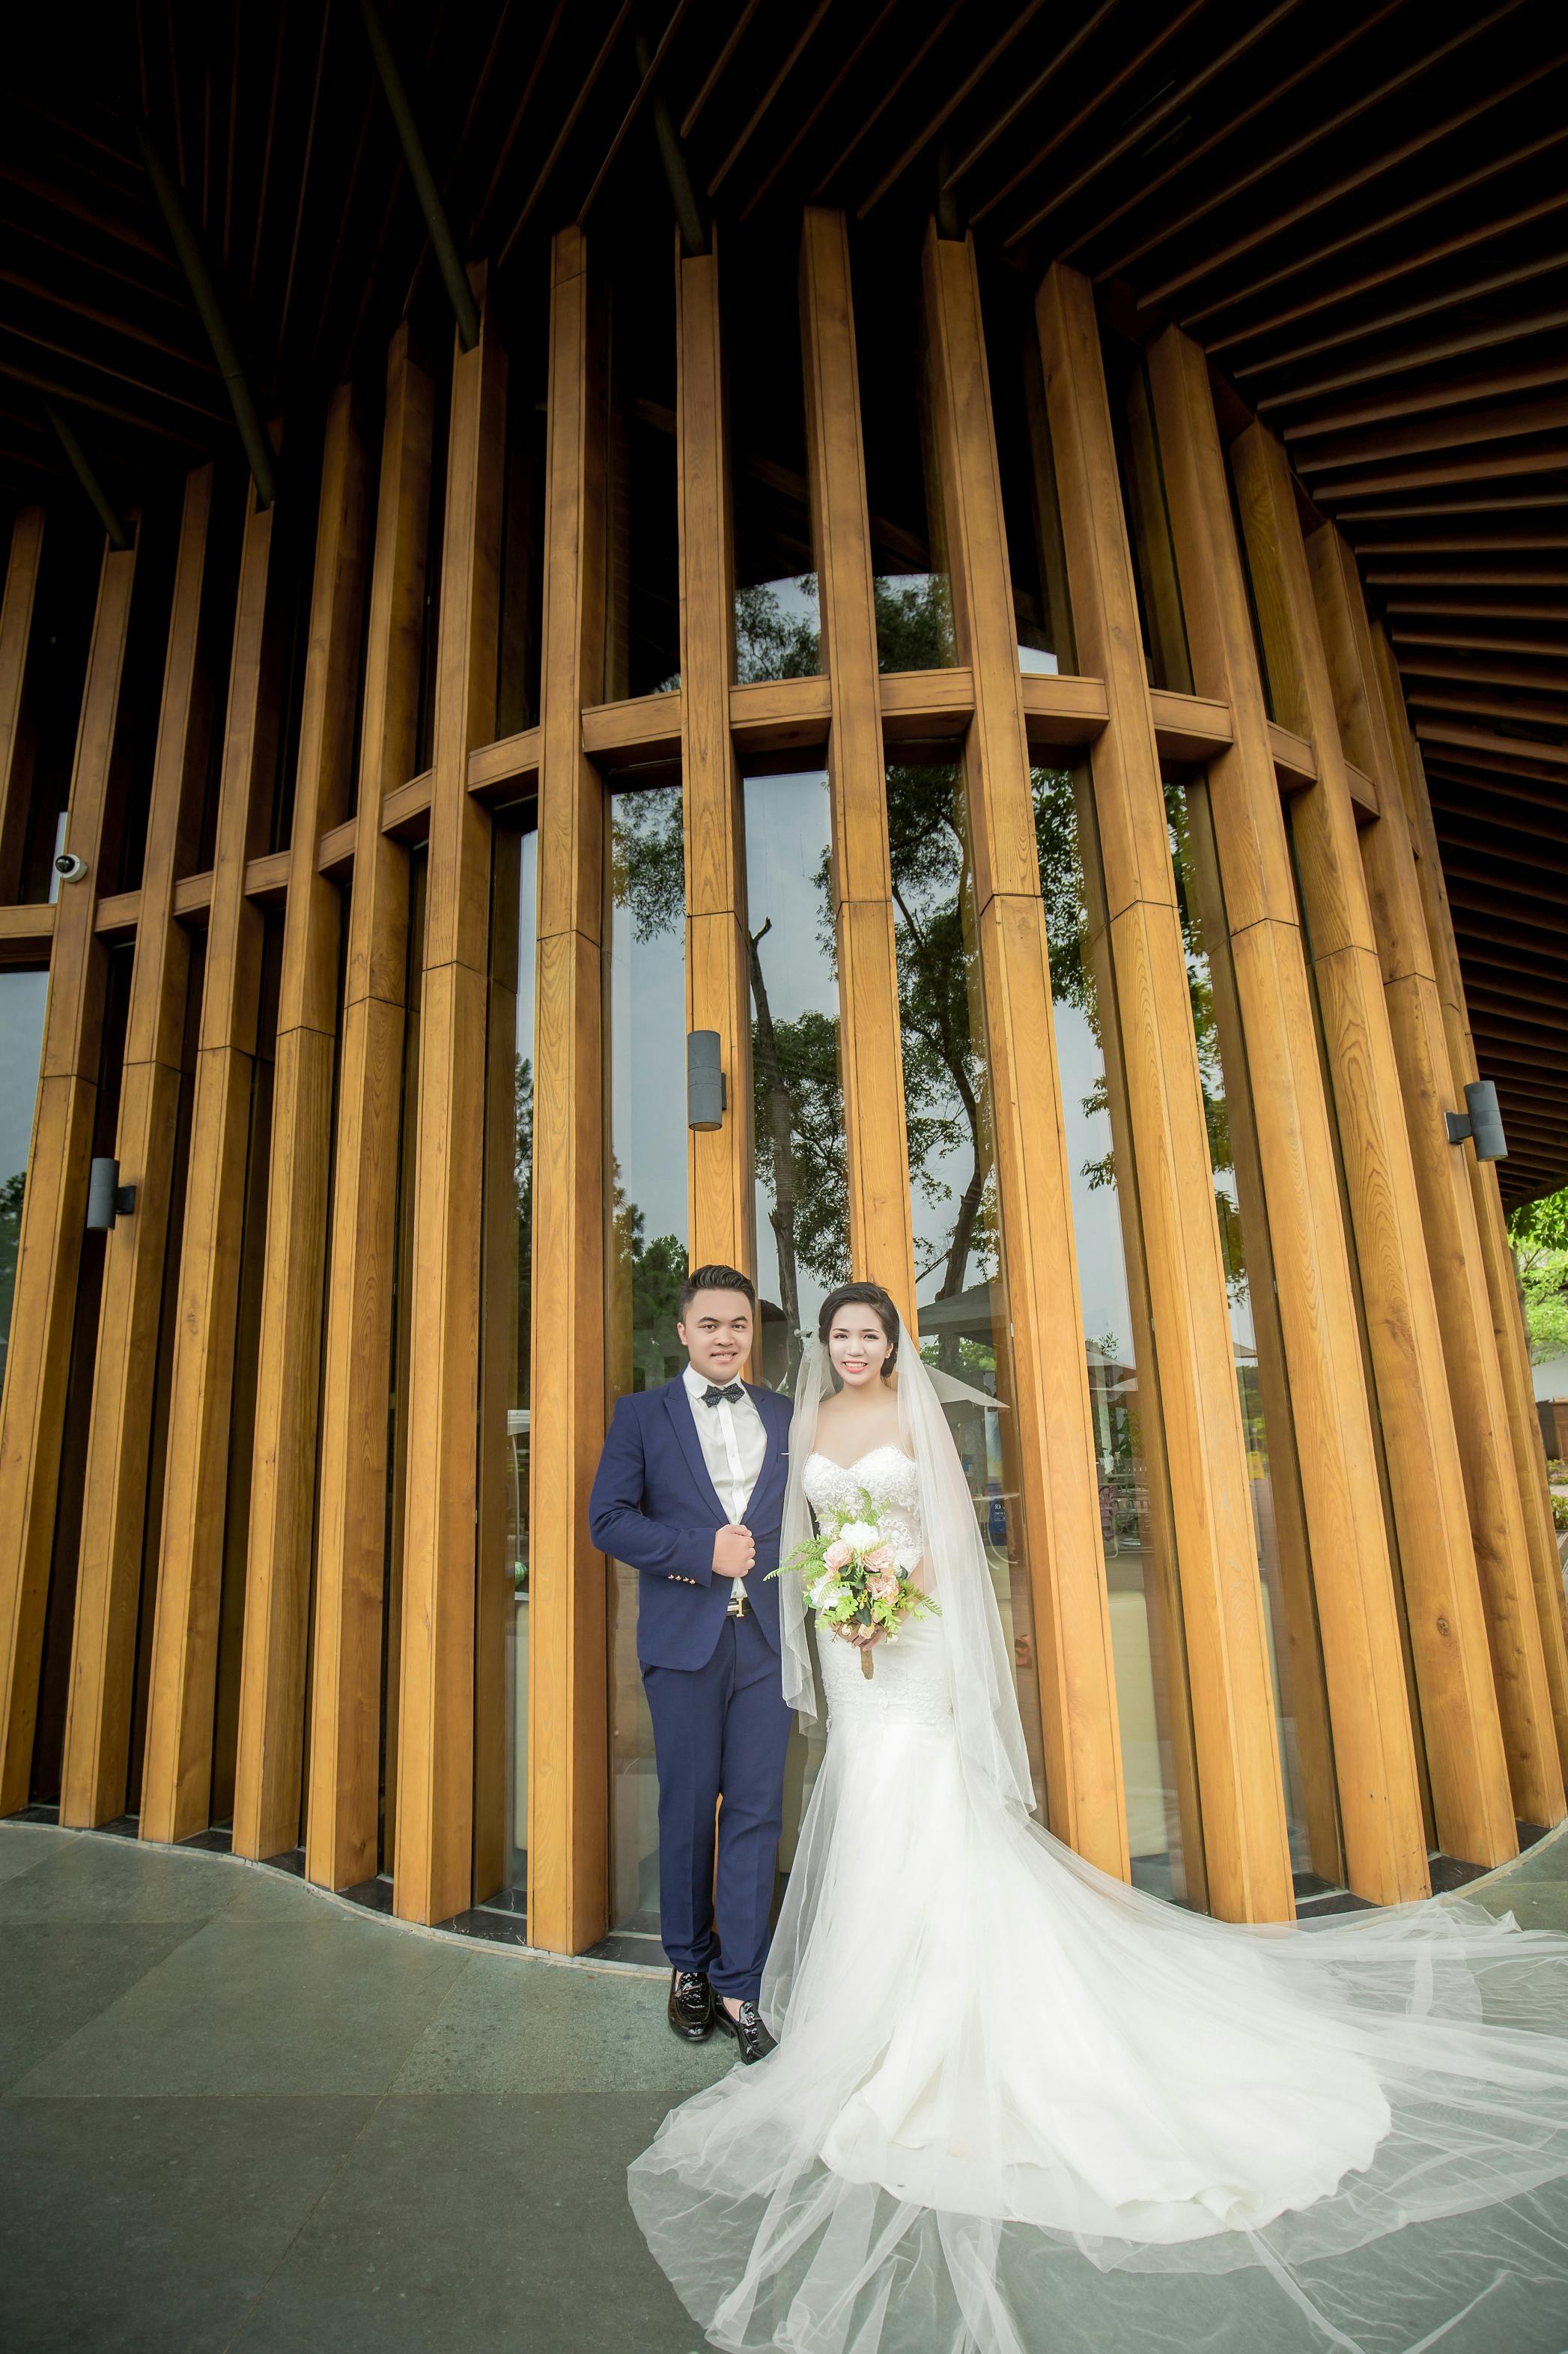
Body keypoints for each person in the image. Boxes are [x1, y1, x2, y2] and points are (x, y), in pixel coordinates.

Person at [627, 1279, 1568, 2354]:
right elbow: (780, 1527)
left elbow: (941, 1519)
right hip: (848, 1647)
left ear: (892, 1343)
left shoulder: (905, 1413)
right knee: (866, 1802)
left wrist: (893, 1592)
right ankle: (828, 1994)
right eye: (838, 1332)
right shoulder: (804, 1420)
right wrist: (843, 1608)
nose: (851, 1347)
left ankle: (937, 2010)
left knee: (920, 1798)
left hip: (910, 1630)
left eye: (869, 1333)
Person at [589, 1264, 794, 2064]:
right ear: (682, 1330)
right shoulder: (640, 1415)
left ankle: (741, 1982)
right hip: (683, 1641)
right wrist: (699, 1552)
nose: (724, 1337)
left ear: (752, 1332)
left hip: (768, 1643)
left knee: (754, 1811)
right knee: (686, 1807)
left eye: (738, 1324)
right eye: (709, 1323)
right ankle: (689, 1965)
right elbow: (608, 1519)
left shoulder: (782, 1412)